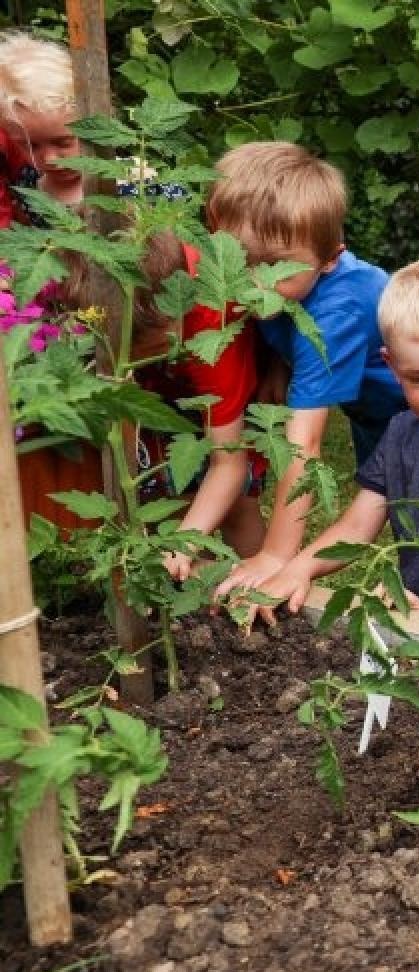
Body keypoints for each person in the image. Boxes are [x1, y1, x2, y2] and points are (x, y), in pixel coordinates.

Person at [238, 258, 419, 625]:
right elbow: (358, 526)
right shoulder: (402, 431)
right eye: (418, 378)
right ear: (392, 365)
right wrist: (299, 569)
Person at [206, 142, 406, 601]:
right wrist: (279, 362)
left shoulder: (335, 315)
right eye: (242, 260)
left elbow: (305, 444)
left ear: (331, 259)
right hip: (373, 411)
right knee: (390, 499)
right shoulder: (290, 285)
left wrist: (277, 556)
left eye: (275, 266)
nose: (256, 283)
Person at [54, 231, 265, 573]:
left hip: (223, 396)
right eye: (131, 355)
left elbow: (230, 464)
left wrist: (182, 543)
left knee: (240, 500)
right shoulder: (95, 302)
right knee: (176, 501)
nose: (135, 360)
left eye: (151, 348)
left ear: (173, 309)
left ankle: (261, 587)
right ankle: (196, 588)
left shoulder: (213, 323)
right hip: (160, 394)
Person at [0, 31, 83, 225]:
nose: (49, 159)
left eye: (63, 142)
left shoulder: (128, 179)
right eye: (30, 146)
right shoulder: (28, 186)